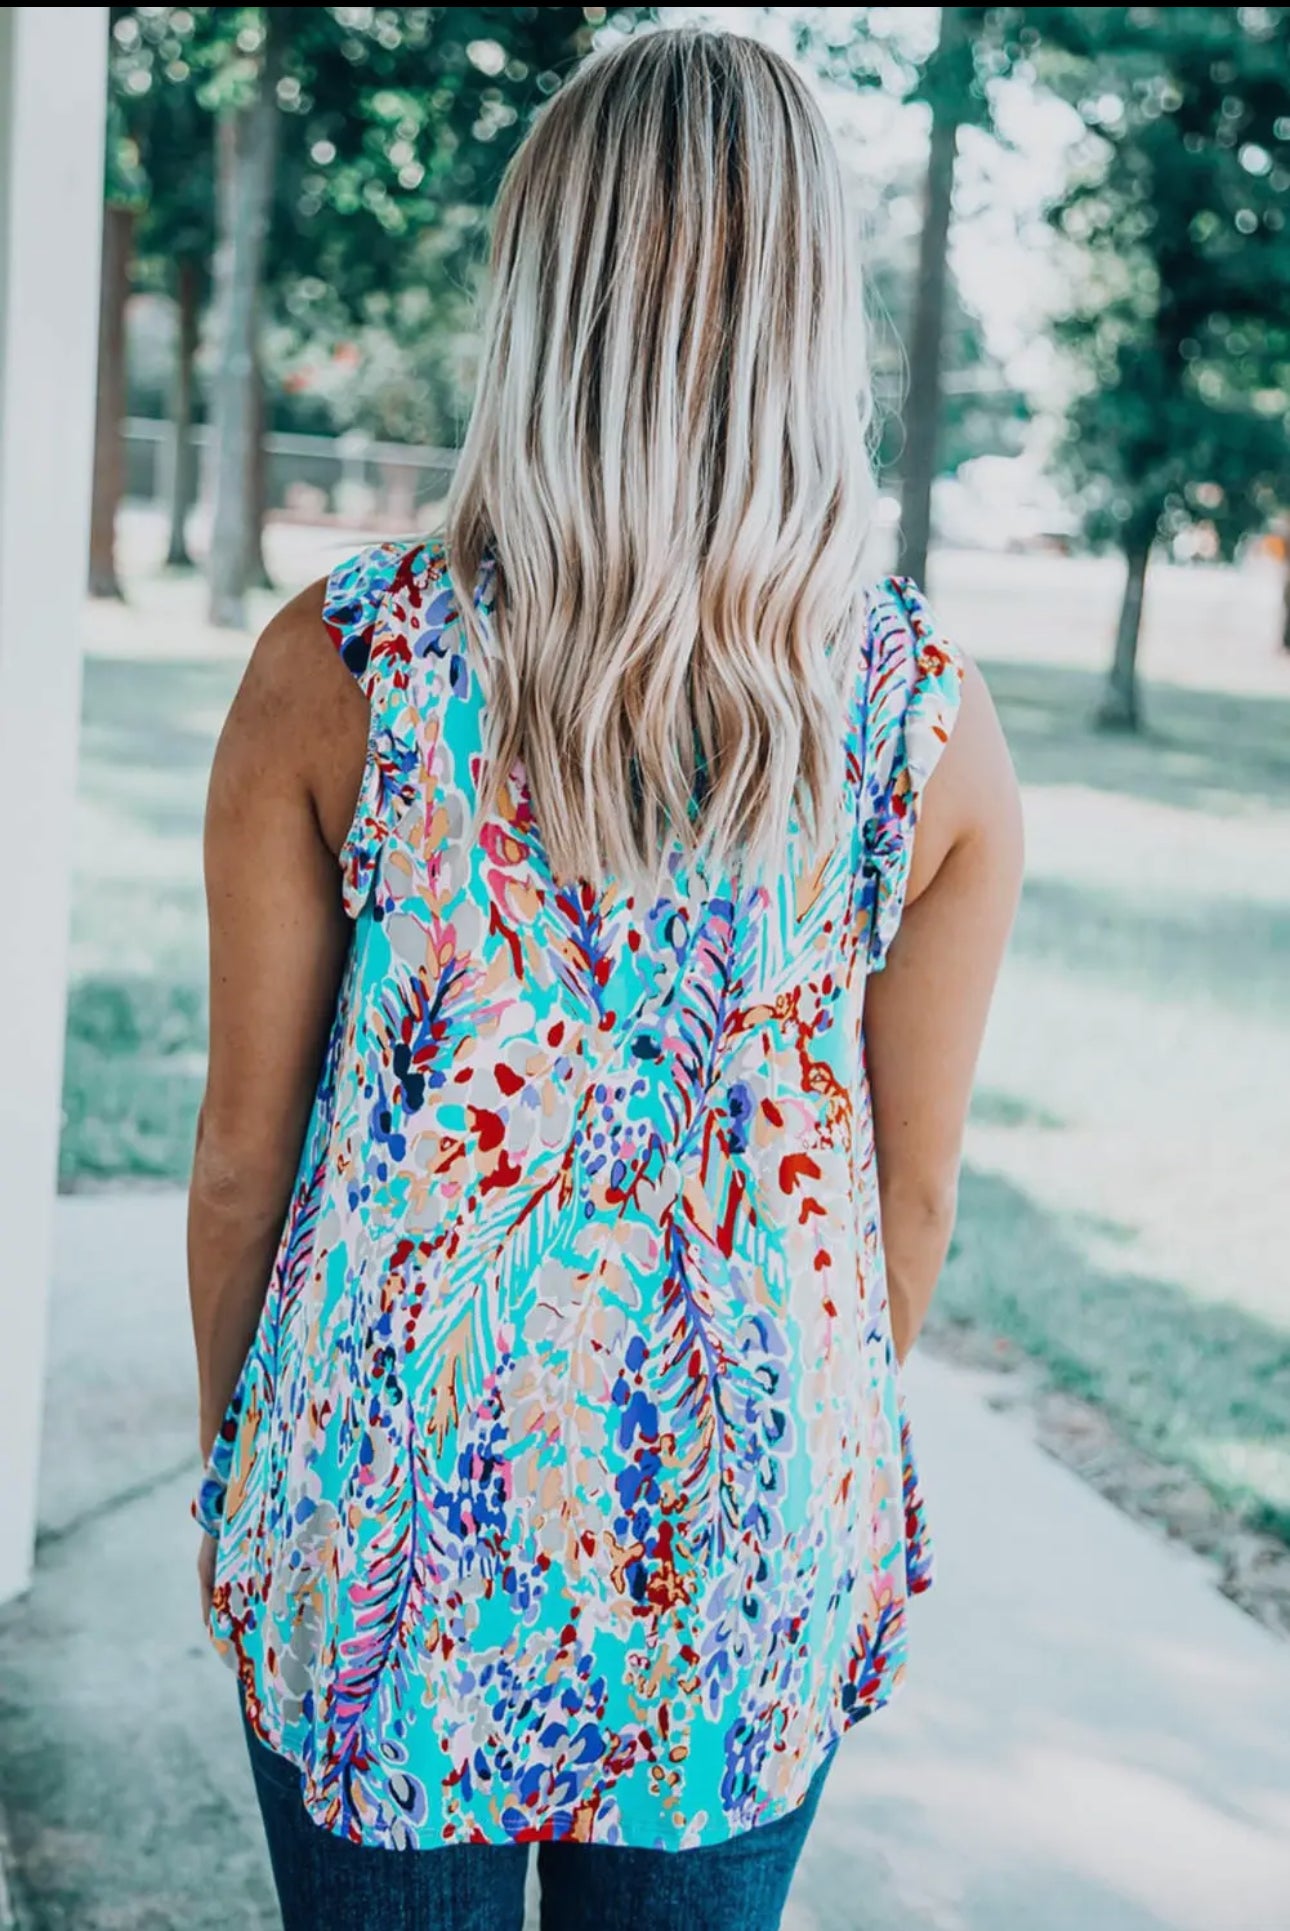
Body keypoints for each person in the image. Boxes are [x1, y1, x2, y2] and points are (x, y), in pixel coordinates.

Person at [188, 25, 1023, 1931]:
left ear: (542, 294)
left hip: (383, 1491)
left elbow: (247, 1155)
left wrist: (248, 1472)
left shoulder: (342, 663)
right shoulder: (930, 726)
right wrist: (773, 1457)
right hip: (750, 1513)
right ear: (810, 312)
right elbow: (911, 1194)